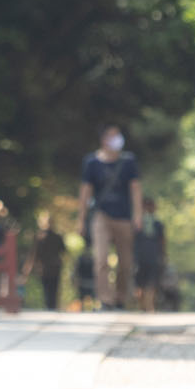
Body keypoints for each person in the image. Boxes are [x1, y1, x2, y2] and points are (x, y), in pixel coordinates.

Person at [79, 123, 142, 309]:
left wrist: (137, 215)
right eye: (113, 135)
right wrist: (81, 219)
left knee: (126, 263)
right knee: (101, 259)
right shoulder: (91, 162)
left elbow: (136, 189)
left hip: (124, 216)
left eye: (118, 135)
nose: (118, 139)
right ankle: (105, 299)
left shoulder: (129, 161)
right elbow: (85, 191)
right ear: (104, 139)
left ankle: (121, 298)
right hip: (101, 215)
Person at [132, 196, 166, 313]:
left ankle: (150, 305)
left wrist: (163, 256)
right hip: (139, 257)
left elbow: (162, 241)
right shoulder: (136, 224)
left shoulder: (158, 224)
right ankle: (141, 306)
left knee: (152, 283)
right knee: (139, 283)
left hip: (153, 256)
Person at [28, 212, 67, 311]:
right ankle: (52, 307)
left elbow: (34, 255)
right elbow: (63, 252)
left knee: (47, 290)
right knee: (53, 289)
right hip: (53, 267)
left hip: (45, 268)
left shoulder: (39, 237)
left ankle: (49, 307)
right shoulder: (57, 237)